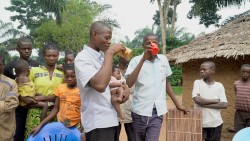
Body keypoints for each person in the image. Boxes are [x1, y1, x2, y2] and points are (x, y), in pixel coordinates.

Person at [125, 33, 188, 141]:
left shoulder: (163, 60)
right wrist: (143, 59)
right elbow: (129, 83)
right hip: (140, 111)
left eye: (154, 42)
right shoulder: (135, 60)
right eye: (148, 43)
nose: (152, 44)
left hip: (157, 112)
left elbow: (166, 83)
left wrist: (177, 104)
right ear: (143, 46)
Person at [74, 21, 130, 141]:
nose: (109, 42)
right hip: (98, 123)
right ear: (94, 34)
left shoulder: (100, 58)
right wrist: (110, 53)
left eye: (110, 38)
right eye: (106, 38)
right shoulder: (82, 58)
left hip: (110, 120)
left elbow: (108, 85)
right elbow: (100, 85)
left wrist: (124, 92)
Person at [30, 64, 85, 140]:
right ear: (64, 77)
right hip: (61, 123)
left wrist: (83, 131)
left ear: (77, 75)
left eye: (73, 76)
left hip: (77, 125)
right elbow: (56, 109)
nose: (69, 79)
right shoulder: (60, 88)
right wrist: (40, 125)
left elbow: (84, 111)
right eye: (67, 77)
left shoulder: (82, 90)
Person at [24, 42, 64, 139]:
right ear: (43, 56)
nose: (51, 58)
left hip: (55, 114)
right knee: (34, 138)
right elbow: (26, 91)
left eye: (54, 55)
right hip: (35, 112)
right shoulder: (34, 71)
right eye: (48, 55)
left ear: (58, 56)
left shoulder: (62, 74)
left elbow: (63, 94)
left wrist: (44, 97)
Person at [3, 37, 39, 141]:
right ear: (17, 49)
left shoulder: (36, 64)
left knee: (32, 134)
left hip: (33, 108)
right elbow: (7, 87)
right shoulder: (10, 66)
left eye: (29, 48)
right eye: (24, 48)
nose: (27, 51)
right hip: (18, 109)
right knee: (18, 134)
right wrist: (22, 97)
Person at [192, 61, 228, 141]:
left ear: (212, 71)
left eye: (204, 69)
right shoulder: (197, 82)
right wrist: (215, 101)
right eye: (201, 69)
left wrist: (202, 104)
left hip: (215, 123)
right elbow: (197, 99)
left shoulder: (219, 85)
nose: (201, 71)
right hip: (200, 123)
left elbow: (224, 105)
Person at [0, 54, 19, 141]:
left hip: (5, 133)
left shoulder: (11, 83)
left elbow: (11, 104)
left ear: (3, 65)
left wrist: (4, 104)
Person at [117, 56, 135, 141]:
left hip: (131, 106)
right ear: (118, 56)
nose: (126, 58)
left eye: (128, 56)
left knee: (132, 136)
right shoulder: (112, 70)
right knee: (114, 136)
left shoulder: (133, 70)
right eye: (124, 55)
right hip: (116, 106)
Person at [234, 64, 250, 132]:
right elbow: (236, 93)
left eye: (247, 72)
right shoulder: (236, 83)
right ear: (240, 72)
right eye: (243, 71)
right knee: (239, 131)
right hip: (239, 113)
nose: (245, 73)